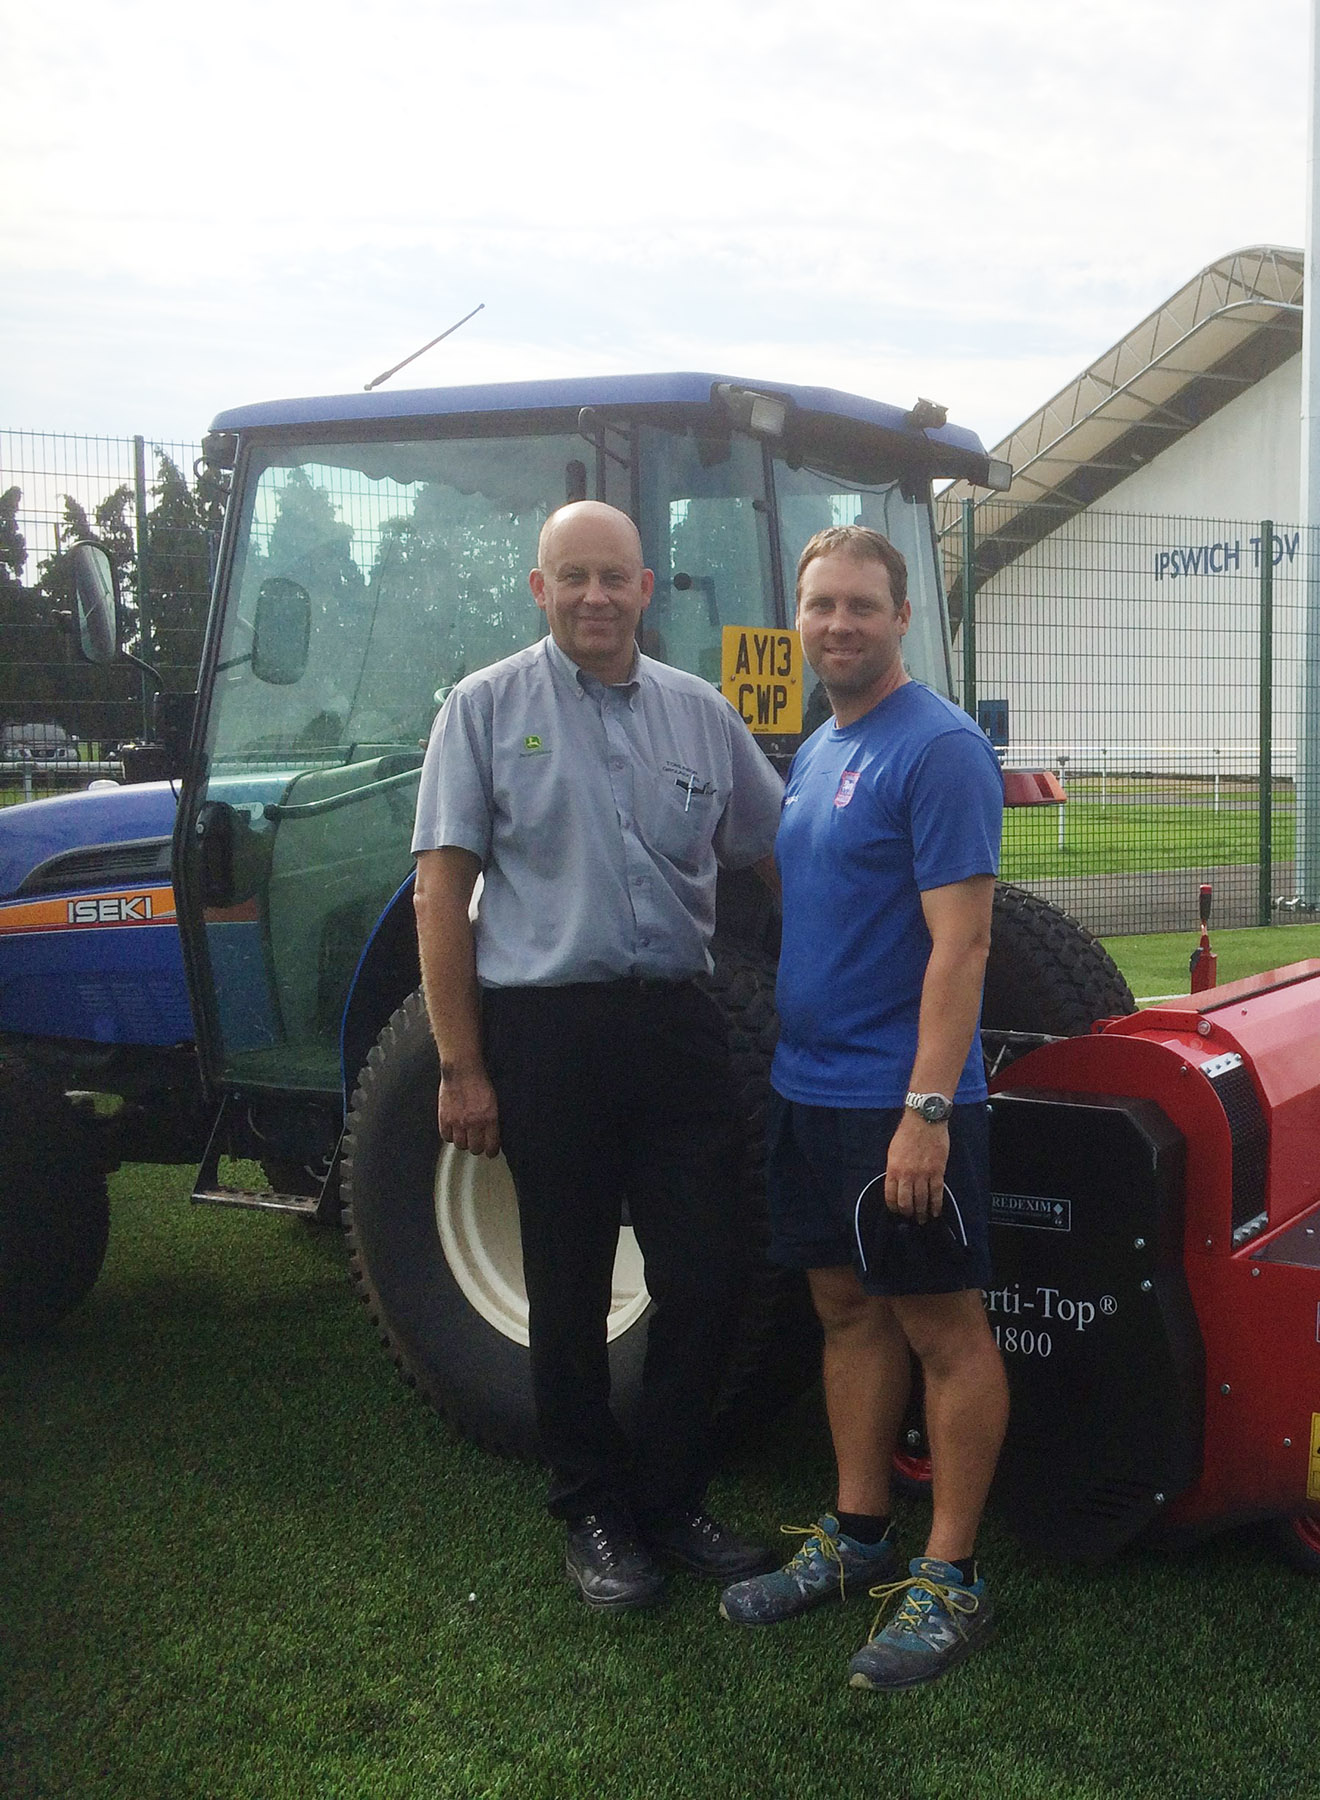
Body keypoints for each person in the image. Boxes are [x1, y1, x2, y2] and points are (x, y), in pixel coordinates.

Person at [412, 500, 787, 1609]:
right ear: (539, 588)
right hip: (547, 1034)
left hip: (678, 1023)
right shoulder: (482, 711)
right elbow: (442, 893)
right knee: (567, 1287)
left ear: (646, 588)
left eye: (612, 577)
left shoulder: (702, 715)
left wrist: (827, 977)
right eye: (571, 577)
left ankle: (671, 1500)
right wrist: (461, 1065)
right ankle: (591, 1513)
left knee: (707, 1271)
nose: (593, 596)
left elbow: (777, 850)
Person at [718, 524, 1007, 1692]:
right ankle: (857, 1531)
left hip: (904, 1104)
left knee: (944, 1329)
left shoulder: (937, 750)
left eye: (862, 605)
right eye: (820, 605)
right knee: (846, 1312)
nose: (839, 623)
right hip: (811, 1089)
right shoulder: (819, 742)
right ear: (800, 619)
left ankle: (951, 1579)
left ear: (900, 618)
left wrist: (927, 1110)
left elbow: (964, 942)